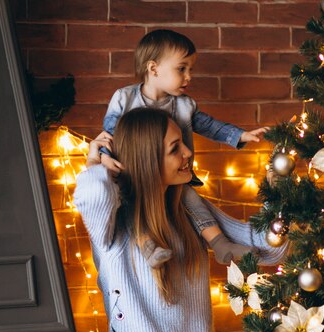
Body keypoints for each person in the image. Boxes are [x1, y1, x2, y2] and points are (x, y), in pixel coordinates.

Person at [74, 108, 287, 332]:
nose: (188, 151)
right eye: (175, 148)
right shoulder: (115, 225)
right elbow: (92, 196)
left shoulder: (188, 211)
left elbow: (269, 250)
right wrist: (96, 162)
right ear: (146, 160)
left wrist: (279, 196)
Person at [99, 29, 269, 267]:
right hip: (137, 173)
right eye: (182, 69)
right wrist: (105, 159)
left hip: (174, 174)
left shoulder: (184, 105)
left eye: (191, 69)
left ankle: (219, 243)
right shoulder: (125, 98)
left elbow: (209, 125)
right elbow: (108, 134)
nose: (189, 76)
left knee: (190, 199)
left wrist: (240, 134)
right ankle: (147, 245)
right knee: (132, 203)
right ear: (154, 68)